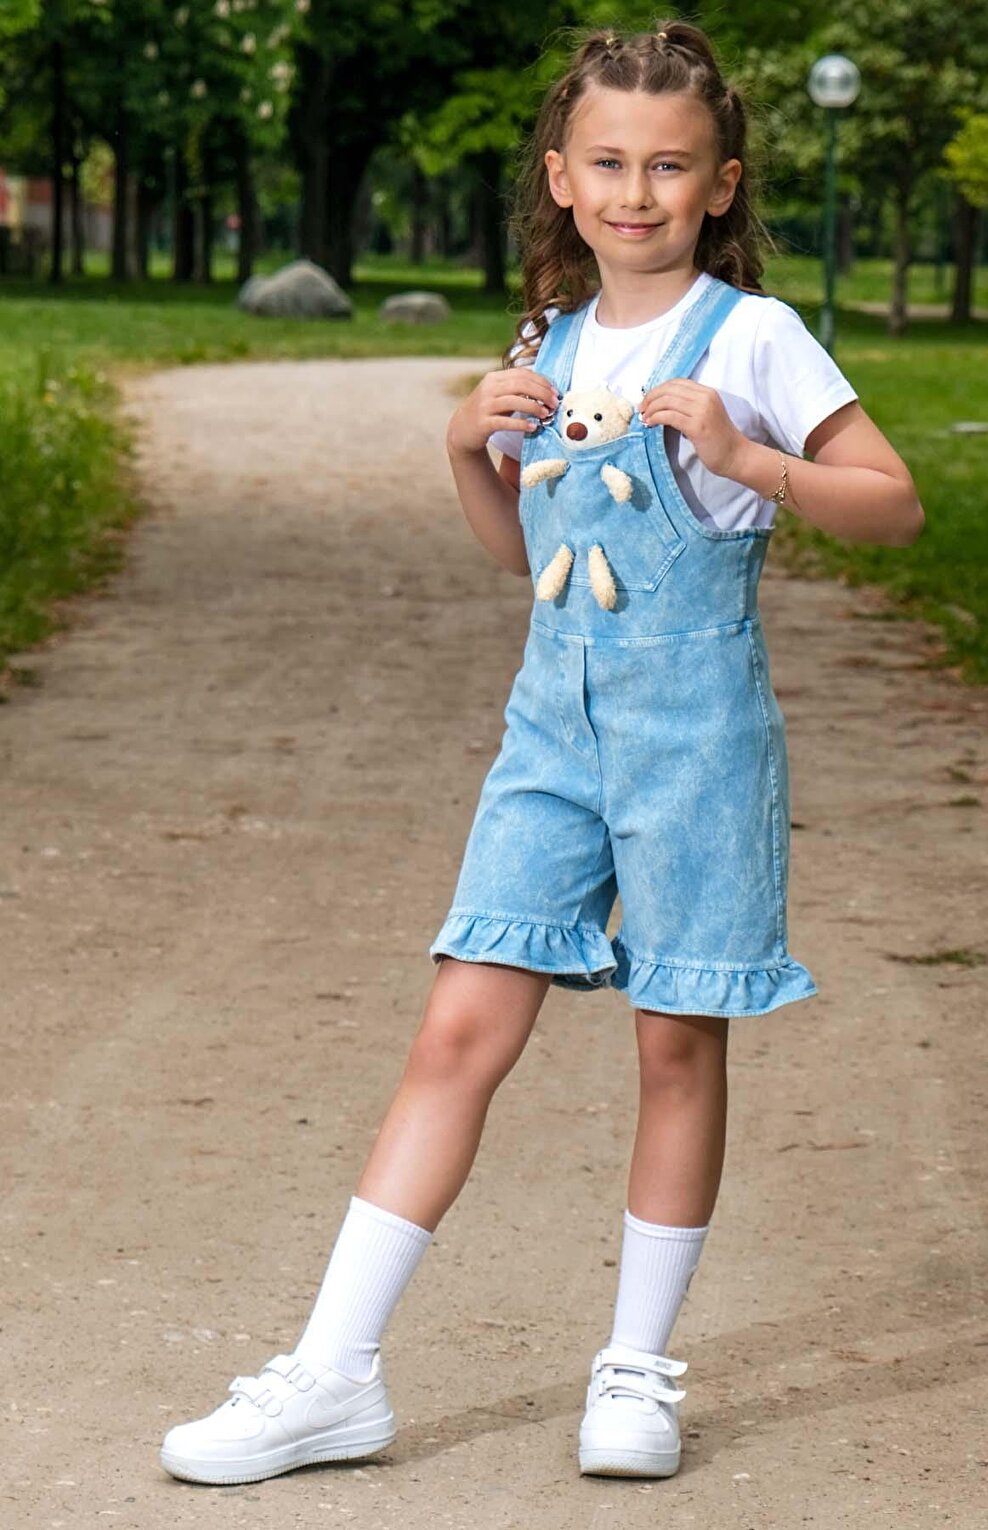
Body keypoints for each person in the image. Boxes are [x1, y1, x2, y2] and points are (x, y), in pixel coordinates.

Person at [159, 19, 924, 1488]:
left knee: (673, 1036)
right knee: (459, 1025)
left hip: (698, 744)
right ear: (564, 179)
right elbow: (539, 558)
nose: (638, 189)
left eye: (671, 165)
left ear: (719, 183)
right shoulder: (547, 342)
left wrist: (753, 458)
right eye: (610, 162)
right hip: (549, 737)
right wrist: (464, 450)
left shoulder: (751, 334)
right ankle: (332, 1372)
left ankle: (635, 1370)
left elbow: (889, 504)